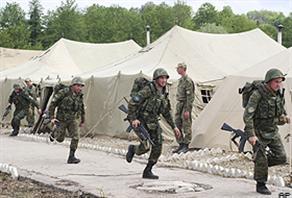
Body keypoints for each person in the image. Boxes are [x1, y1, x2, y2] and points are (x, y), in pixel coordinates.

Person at [126, 68, 181, 179]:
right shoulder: (147, 90)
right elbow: (132, 103)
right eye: (161, 78)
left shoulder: (163, 94)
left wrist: (174, 127)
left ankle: (148, 170)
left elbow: (166, 112)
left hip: (153, 122)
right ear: (156, 79)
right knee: (145, 146)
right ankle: (133, 149)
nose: (164, 80)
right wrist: (133, 119)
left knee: (158, 147)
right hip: (140, 121)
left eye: (165, 78)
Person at [244, 68, 289, 195]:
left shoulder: (279, 93)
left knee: (281, 157)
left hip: (272, 131)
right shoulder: (257, 94)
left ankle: (259, 164)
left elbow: (279, 113)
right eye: (276, 82)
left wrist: (284, 118)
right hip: (258, 132)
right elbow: (247, 115)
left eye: (280, 82)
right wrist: (251, 135)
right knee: (261, 159)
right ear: (269, 82)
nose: (279, 84)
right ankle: (261, 184)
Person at [48, 77, 85, 164]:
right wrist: (52, 117)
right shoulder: (63, 92)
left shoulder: (80, 95)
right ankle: (54, 132)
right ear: (73, 85)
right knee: (60, 139)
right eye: (78, 86)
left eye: (81, 86)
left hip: (73, 119)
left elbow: (82, 107)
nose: (80, 88)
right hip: (61, 119)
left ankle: (71, 157)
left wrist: (83, 120)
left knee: (76, 137)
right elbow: (53, 104)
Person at [173, 63, 195, 154]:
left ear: (183, 68)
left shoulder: (188, 81)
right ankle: (181, 143)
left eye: (178, 68)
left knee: (186, 124)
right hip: (179, 104)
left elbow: (190, 97)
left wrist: (187, 110)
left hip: (185, 104)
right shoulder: (181, 80)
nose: (177, 70)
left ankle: (186, 145)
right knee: (177, 123)